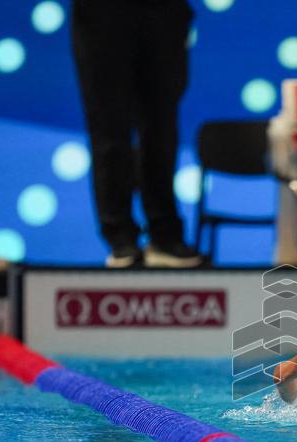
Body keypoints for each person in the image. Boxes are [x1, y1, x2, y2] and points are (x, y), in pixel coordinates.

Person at [71, 0, 203, 268]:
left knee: (161, 126)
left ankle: (165, 235)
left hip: (163, 13)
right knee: (109, 128)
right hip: (101, 14)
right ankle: (120, 236)